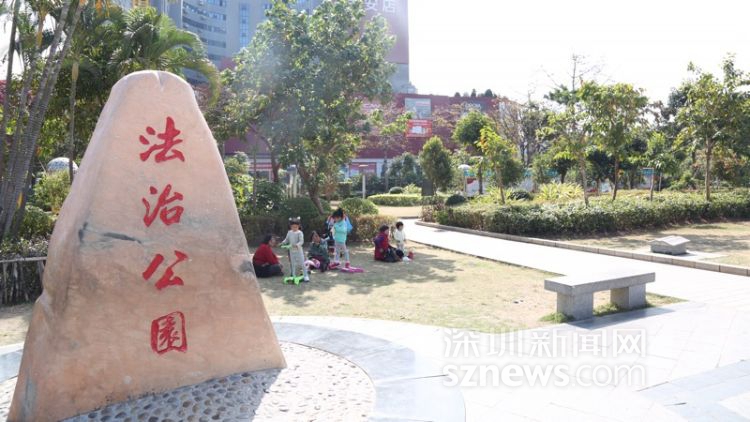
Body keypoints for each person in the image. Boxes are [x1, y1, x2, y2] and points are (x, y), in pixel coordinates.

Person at [280, 217, 309, 282]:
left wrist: (297, 245)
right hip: (291, 251)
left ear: (298, 226)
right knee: (293, 264)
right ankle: (293, 275)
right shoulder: (289, 232)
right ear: (291, 226)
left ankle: (305, 276)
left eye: (296, 227)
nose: (294, 228)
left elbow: (301, 241)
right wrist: (282, 243)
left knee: (302, 263)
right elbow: (286, 239)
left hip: (299, 250)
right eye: (293, 227)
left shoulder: (300, 233)